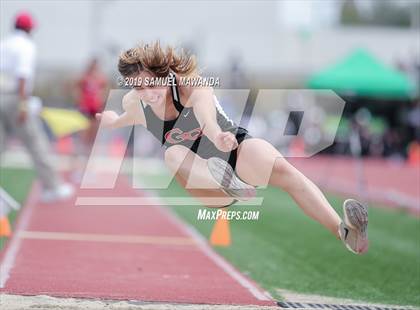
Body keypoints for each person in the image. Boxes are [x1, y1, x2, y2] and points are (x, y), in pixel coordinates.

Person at [96, 42, 368, 254]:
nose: (148, 93)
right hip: (203, 183)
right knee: (172, 153)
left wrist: (218, 137)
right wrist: (112, 122)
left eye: (152, 84)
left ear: (164, 75)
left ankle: (344, 232)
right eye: (138, 87)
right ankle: (225, 180)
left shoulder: (191, 87)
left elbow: (207, 118)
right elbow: (125, 119)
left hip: (231, 148)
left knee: (286, 171)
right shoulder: (135, 103)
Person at [0, 12, 73, 202]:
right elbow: (22, 75)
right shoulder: (26, 46)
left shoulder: (4, 44)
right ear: (30, 29)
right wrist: (24, 104)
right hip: (15, 98)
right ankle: (52, 186)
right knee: (36, 143)